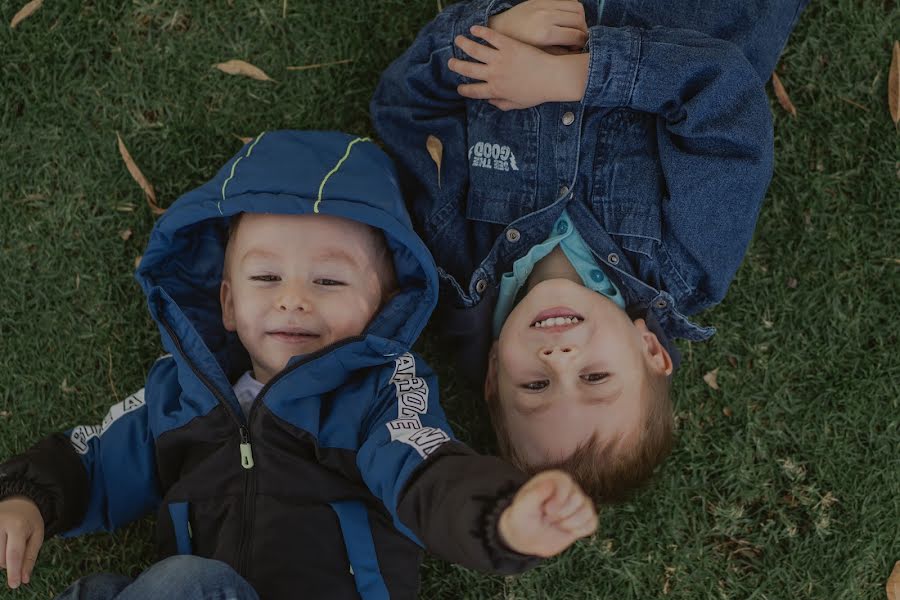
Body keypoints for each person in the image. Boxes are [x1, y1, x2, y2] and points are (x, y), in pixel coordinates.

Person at [0, 131, 598, 600]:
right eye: (265, 277)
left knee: (183, 583)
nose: (293, 299)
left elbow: (427, 472)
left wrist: (503, 520)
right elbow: (97, 458)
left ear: (383, 306)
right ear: (228, 304)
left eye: (329, 280)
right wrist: (28, 498)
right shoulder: (179, 393)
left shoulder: (377, 393)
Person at [371, 0, 808, 502]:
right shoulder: (687, 265)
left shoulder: (452, 250)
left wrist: (484, 34)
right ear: (651, 351)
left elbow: (404, 110)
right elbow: (724, 100)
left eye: (535, 386)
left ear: (493, 372)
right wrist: (575, 76)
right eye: (594, 376)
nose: (559, 359)